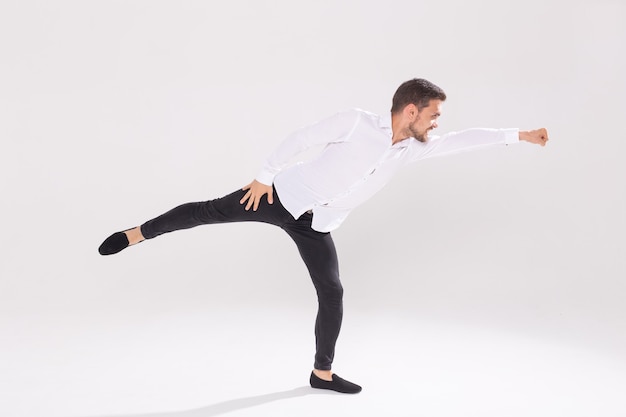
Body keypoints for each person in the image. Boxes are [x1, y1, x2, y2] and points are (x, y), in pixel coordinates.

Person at [98, 78, 549, 394]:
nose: (436, 124)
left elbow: (464, 139)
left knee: (332, 293)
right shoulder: (356, 123)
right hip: (278, 197)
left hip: (318, 225)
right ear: (410, 110)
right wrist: (263, 177)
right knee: (204, 212)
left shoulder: (413, 149)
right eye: (433, 115)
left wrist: (520, 136)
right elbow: (301, 138)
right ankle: (136, 234)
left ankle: (322, 374)